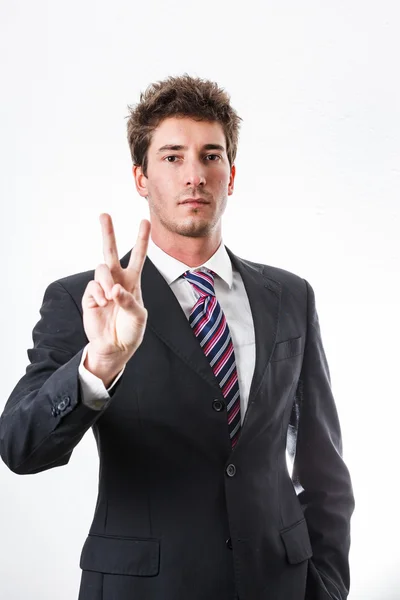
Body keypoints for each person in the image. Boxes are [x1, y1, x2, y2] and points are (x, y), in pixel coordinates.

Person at [0, 74, 354, 600]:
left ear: (230, 175)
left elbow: (322, 468)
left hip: (279, 584)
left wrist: (325, 584)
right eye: (172, 157)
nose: (195, 175)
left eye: (211, 156)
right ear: (141, 178)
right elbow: (20, 447)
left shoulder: (291, 295)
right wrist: (98, 364)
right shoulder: (85, 298)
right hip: (146, 587)